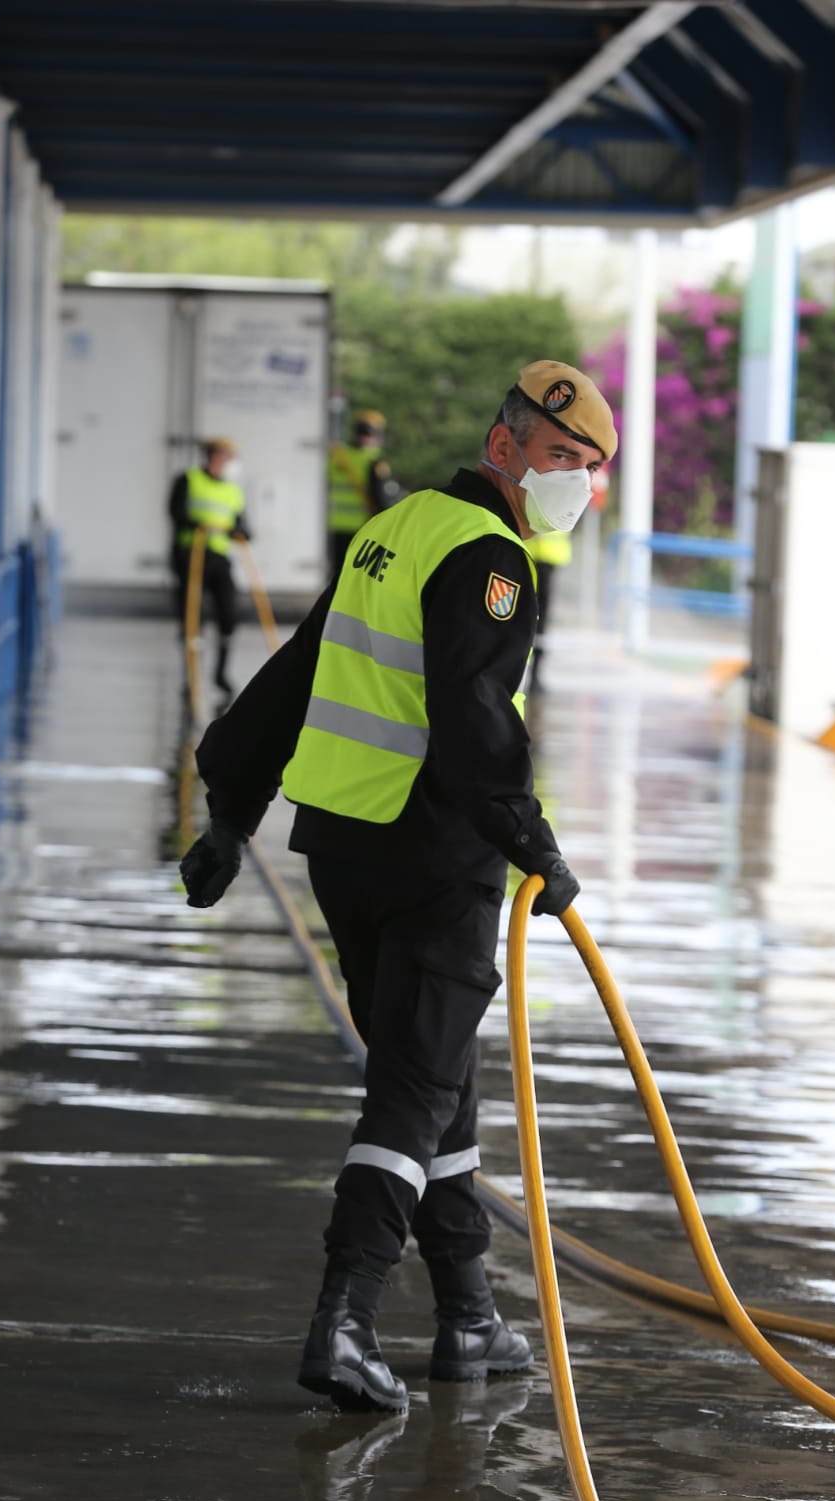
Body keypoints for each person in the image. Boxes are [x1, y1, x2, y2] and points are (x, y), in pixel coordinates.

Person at [181, 360, 617, 1417]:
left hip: (347, 847)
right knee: (413, 1091)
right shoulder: (489, 559)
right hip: (432, 857)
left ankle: (469, 1311)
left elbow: (298, 671)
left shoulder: (399, 527)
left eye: (591, 469)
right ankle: (348, 1315)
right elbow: (475, 728)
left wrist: (232, 808)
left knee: (435, 1074)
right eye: (562, 458)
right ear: (505, 445)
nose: (576, 483)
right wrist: (534, 846)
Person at [168, 437, 251, 696]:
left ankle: (221, 674)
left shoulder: (233, 490)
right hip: (190, 554)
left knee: (229, 615)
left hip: (219, 557)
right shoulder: (189, 479)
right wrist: (201, 525)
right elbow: (175, 512)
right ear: (210, 456)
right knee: (193, 618)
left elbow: (244, 526)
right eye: (219, 455)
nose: (223, 461)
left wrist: (238, 531)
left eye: (227, 456)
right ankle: (190, 676)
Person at [326, 409, 400, 579]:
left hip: (332, 524)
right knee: (355, 575)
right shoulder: (373, 461)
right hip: (362, 527)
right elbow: (382, 500)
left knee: (337, 573)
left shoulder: (337, 456)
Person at [526, 526, 573, 691]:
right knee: (537, 621)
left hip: (539, 557)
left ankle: (535, 674)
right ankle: (534, 675)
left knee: (538, 622)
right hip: (531, 555)